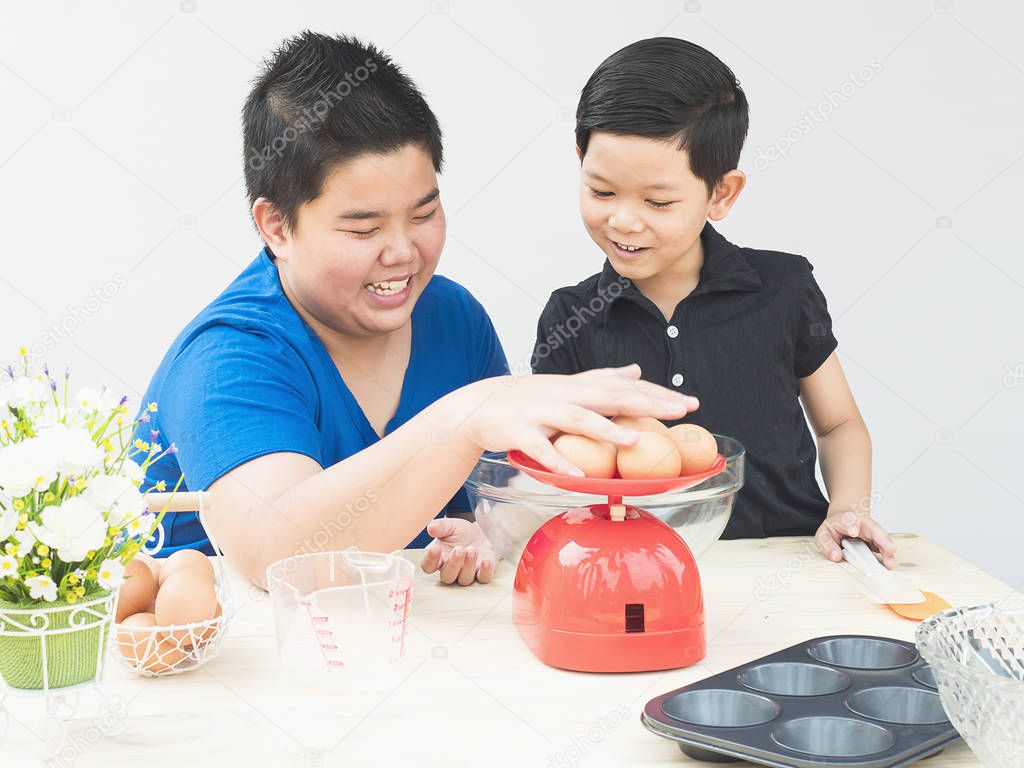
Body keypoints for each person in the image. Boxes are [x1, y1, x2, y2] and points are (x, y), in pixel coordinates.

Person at [139, 32, 699, 587]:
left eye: (424, 213)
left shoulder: (452, 318)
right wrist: (463, 417)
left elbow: (492, 497)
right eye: (364, 227)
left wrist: (489, 529)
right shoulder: (228, 356)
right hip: (227, 661)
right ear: (277, 226)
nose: (403, 252)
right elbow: (278, 561)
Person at [533, 38, 896, 567]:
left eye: (658, 201)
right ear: (580, 164)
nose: (624, 221)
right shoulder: (570, 316)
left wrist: (847, 510)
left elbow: (839, 424)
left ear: (722, 193)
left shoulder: (782, 287)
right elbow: (549, 462)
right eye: (602, 192)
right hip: (631, 571)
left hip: (789, 561)